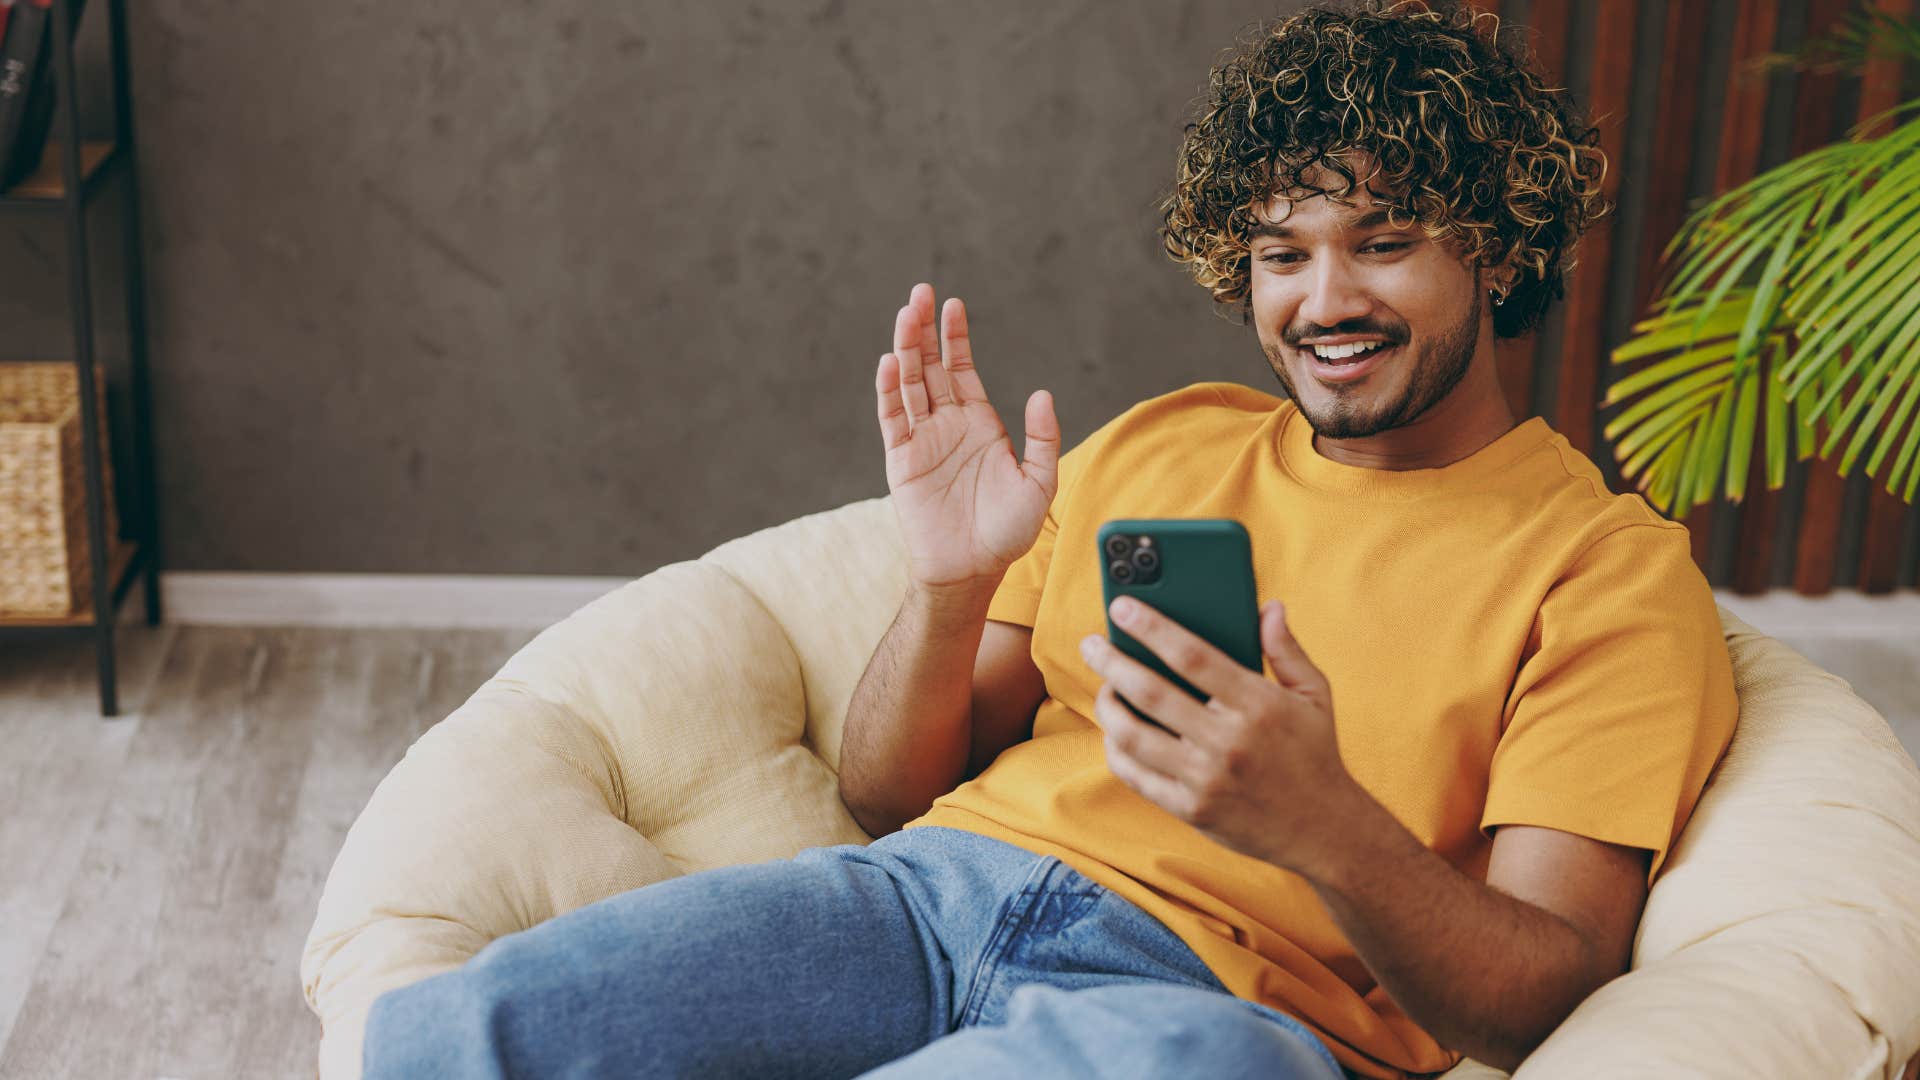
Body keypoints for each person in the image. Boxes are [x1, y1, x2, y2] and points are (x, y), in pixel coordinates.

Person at [360, 1, 1738, 1077]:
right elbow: (895, 793)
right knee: (481, 1029)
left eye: (1383, 242)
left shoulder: (1604, 575)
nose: (1325, 298)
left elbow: (1546, 988)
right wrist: (953, 587)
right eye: (1281, 251)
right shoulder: (1164, 443)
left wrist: (1324, 827)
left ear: (1496, 249)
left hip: (1214, 1011)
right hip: (920, 896)